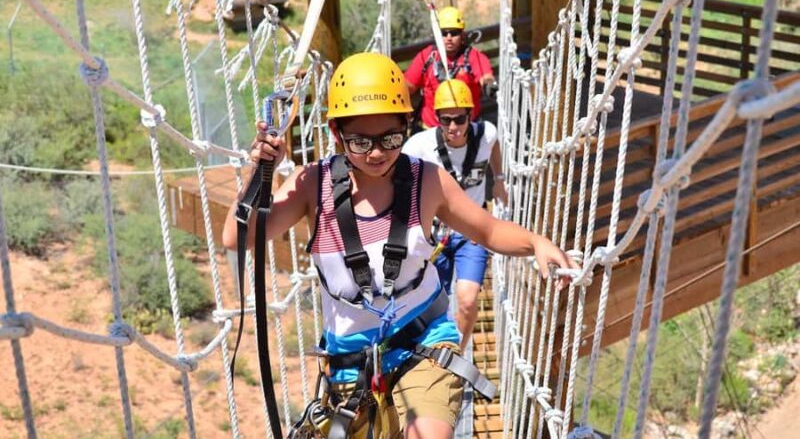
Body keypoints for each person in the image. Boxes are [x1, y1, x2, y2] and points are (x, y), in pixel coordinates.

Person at [222, 53, 574, 439]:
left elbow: (487, 231)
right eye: (360, 141)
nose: (376, 153)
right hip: (350, 365)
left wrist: (536, 242)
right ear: (336, 133)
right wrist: (260, 171)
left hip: (423, 344)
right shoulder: (313, 185)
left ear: (406, 126)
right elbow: (238, 237)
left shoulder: (427, 181)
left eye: (390, 139)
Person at [402, 79, 507, 352]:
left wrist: (499, 179)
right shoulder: (419, 146)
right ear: (436, 118)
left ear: (470, 116)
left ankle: (458, 352)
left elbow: (494, 144)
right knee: (432, 306)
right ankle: (434, 352)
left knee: (468, 301)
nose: (453, 127)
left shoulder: (486, 134)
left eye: (459, 119)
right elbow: (396, 175)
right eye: (445, 120)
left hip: (472, 233)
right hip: (434, 236)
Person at [404, 6, 495, 130]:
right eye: (444, 33)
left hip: (465, 130)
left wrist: (489, 84)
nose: (449, 38)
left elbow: (485, 77)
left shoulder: (473, 57)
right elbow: (408, 86)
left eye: (454, 33)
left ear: (462, 34)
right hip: (431, 130)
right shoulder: (427, 57)